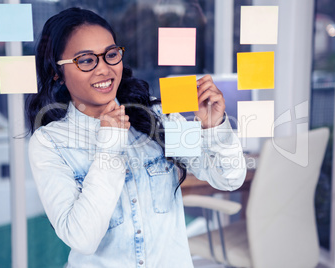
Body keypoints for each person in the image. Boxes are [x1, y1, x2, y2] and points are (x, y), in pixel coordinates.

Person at [27, 7, 246, 268]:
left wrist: (214, 126)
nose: (104, 69)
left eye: (110, 55)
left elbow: (229, 178)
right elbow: (82, 239)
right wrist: (109, 146)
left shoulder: (155, 116)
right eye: (86, 60)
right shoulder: (50, 142)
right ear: (57, 72)